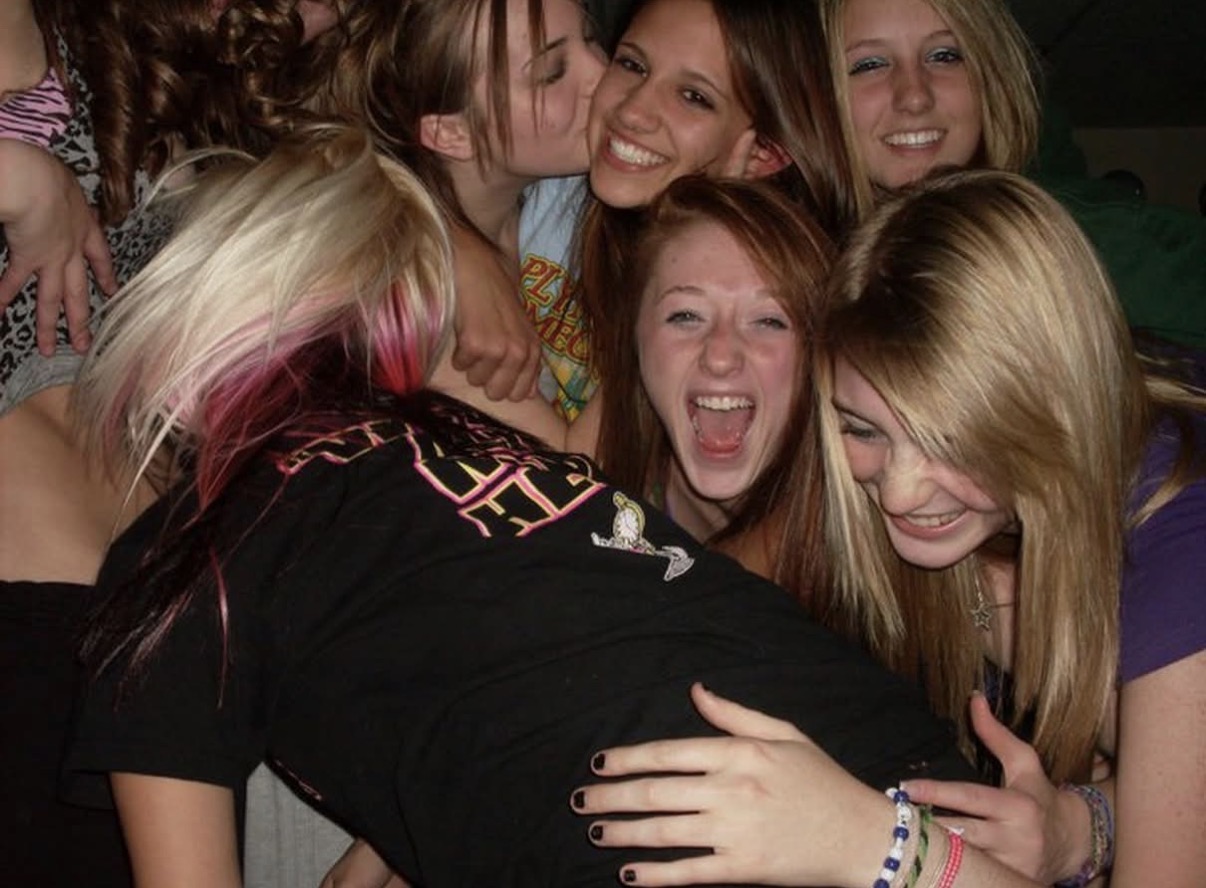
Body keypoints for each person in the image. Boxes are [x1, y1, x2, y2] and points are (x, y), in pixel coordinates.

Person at [64, 124, 1005, 888]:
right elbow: (544, 647)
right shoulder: (485, 444)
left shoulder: (179, 557)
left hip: (805, 828)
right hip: (934, 812)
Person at [571, 169, 1206, 887]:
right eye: (863, 428)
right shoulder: (900, 512)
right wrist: (1088, 823)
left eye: (947, 439)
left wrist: (869, 839)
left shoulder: (1180, 527)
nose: (898, 493)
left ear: (1045, 402)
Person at [818, 0, 1206, 347]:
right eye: (870, 64)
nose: (915, 96)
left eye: (945, 55)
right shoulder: (801, 280)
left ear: (992, 76)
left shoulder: (1098, 250)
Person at [611, 175, 832, 597]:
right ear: (635, 336)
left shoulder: (873, 538)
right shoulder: (591, 505)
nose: (720, 356)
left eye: (769, 320)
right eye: (686, 316)